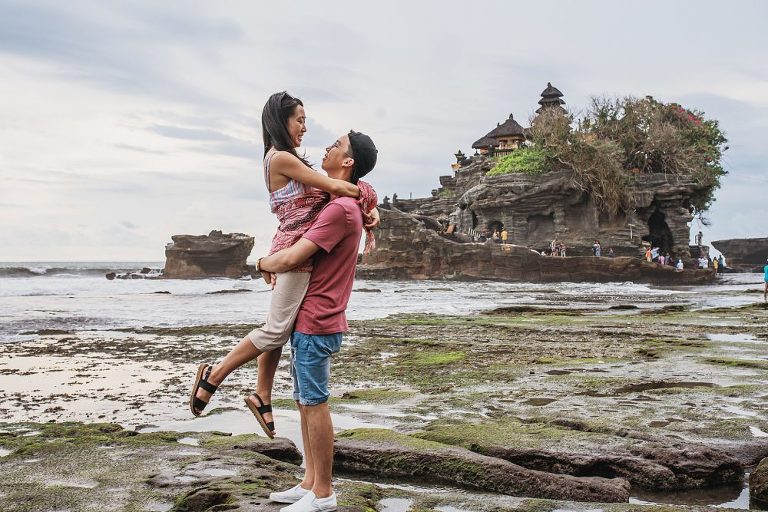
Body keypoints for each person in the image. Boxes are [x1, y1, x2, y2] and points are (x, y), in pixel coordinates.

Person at [189, 92, 378, 440]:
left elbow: (347, 184)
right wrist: (366, 202)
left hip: (299, 250)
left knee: (279, 325)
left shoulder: (292, 160)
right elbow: (338, 185)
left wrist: (369, 201)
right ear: (281, 120)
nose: (305, 127)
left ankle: (262, 395)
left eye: (305, 120)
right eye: (300, 120)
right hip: (292, 252)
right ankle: (214, 375)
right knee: (276, 330)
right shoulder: (279, 159)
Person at [261, 130, 378, 511]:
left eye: (337, 146)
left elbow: (294, 257)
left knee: (314, 404)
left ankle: (324, 493)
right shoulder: (342, 202)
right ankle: (309, 482)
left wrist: (262, 263)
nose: (327, 147)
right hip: (313, 319)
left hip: (317, 320)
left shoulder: (338, 210)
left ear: (347, 162)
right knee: (304, 400)